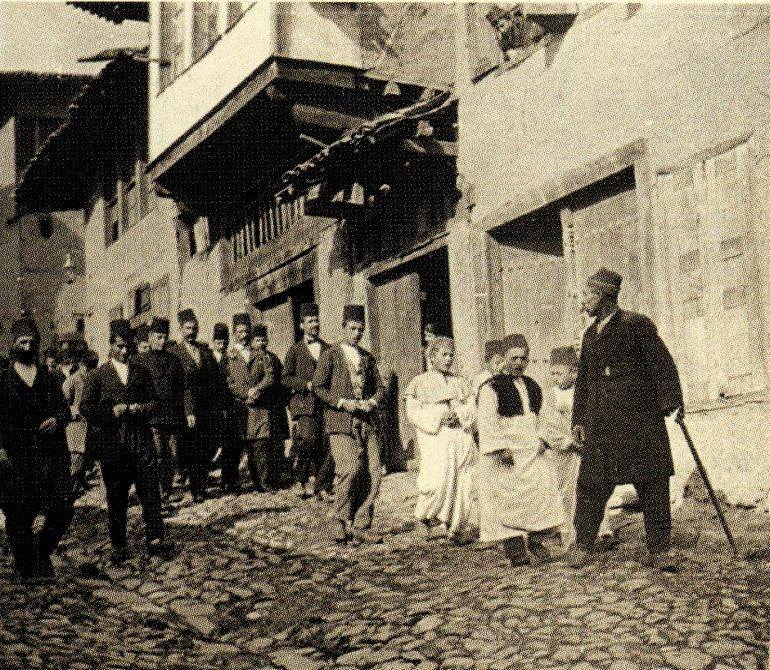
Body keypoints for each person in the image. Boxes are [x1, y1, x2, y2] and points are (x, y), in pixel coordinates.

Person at [568, 268, 684, 572]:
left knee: (653, 482)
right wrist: (578, 418)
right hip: (601, 423)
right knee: (591, 484)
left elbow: (662, 365)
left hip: (640, 420)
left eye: (588, 295)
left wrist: (673, 402)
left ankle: (660, 549)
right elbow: (584, 381)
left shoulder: (636, 325)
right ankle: (582, 544)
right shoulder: (589, 335)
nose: (583, 302)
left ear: (604, 296)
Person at [80, 319, 172, 564]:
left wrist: (140, 408)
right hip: (113, 444)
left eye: (127, 346)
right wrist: (111, 412)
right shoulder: (99, 376)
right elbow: (85, 408)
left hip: (141, 441)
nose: (124, 351)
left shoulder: (141, 372)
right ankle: (119, 544)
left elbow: (155, 402)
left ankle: (155, 538)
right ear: (111, 345)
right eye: (119, 346)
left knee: (150, 491)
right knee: (117, 496)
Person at [476, 334, 564, 567]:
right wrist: (499, 449)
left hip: (531, 449)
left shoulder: (532, 386)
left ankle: (536, 539)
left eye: (523, 358)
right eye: (513, 358)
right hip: (507, 453)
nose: (518, 363)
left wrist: (545, 439)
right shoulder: (491, 388)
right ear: (503, 359)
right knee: (507, 502)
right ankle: (516, 551)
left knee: (543, 490)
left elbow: (546, 418)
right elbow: (486, 421)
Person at [0, 317, 73, 582]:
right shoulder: (4, 380)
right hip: (15, 455)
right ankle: (26, 565)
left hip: (48, 454)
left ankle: (42, 554)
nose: (28, 346)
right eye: (23, 342)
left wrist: (58, 420)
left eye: (32, 342)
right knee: (19, 510)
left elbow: (65, 410)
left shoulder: (48, 377)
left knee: (61, 507)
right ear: (13, 344)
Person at [313, 304, 385, 544]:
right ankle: (340, 519)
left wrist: (373, 401)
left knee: (374, 471)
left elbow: (380, 387)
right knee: (349, 469)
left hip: (367, 421)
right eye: (352, 328)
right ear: (343, 327)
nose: (356, 333)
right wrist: (342, 402)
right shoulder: (330, 355)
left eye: (360, 329)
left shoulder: (366, 357)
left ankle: (362, 523)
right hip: (341, 422)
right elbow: (318, 387)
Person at [405, 337, 476, 544]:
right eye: (443, 354)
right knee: (438, 479)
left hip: (459, 437)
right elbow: (413, 412)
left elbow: (472, 406)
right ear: (432, 356)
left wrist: (460, 414)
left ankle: (456, 527)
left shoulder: (460, 382)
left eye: (451, 354)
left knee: (463, 482)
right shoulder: (419, 382)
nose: (448, 359)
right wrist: (439, 415)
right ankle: (424, 516)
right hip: (437, 438)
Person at [168, 309, 224, 503]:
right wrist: (184, 410)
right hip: (185, 410)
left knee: (205, 447)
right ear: (180, 329)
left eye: (194, 328)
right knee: (189, 449)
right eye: (187, 328)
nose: (191, 332)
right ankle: (193, 488)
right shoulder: (174, 353)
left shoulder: (205, 351)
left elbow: (216, 381)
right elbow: (174, 386)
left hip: (206, 409)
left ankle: (199, 485)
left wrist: (218, 406)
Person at [227, 316, 281, 493]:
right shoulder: (229, 356)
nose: (243, 335)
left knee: (261, 446)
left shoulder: (260, 354)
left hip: (259, 405)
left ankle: (263, 483)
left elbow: (270, 375)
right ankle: (236, 483)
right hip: (240, 408)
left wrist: (257, 389)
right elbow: (229, 382)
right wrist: (245, 394)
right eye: (239, 332)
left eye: (246, 331)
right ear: (234, 333)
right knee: (242, 446)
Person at [136, 318, 186, 504]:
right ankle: (154, 493)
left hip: (172, 417)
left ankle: (165, 490)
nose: (162, 341)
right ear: (150, 338)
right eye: (158, 337)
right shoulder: (140, 361)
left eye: (165, 337)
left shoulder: (174, 360)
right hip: (152, 418)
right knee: (156, 455)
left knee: (171, 456)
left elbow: (182, 388)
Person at [282, 303, 329, 499]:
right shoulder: (295, 350)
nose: (314, 324)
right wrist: (305, 385)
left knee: (325, 444)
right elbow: (285, 378)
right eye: (310, 321)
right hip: (305, 404)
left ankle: (322, 486)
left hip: (325, 403)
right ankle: (300, 480)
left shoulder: (328, 348)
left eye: (316, 320)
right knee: (307, 441)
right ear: (301, 325)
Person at [210, 322, 231, 475]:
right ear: (213, 342)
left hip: (225, 401)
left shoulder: (229, 358)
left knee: (226, 437)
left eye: (223, 343)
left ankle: (225, 469)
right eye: (218, 343)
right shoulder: (208, 357)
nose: (220, 345)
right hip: (211, 403)